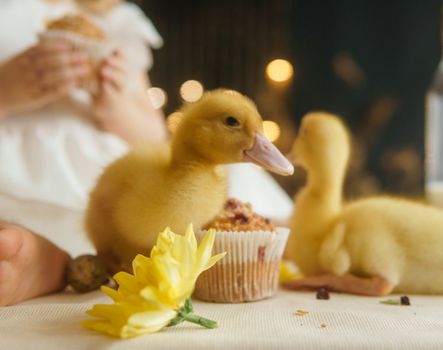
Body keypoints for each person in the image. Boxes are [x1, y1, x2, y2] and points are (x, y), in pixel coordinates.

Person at [0, 0, 293, 306]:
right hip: (25, 164)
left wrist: (115, 107)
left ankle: (262, 250)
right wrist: (4, 91)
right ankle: (50, 259)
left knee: (234, 175)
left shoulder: (114, 21)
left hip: (112, 160)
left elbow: (156, 135)